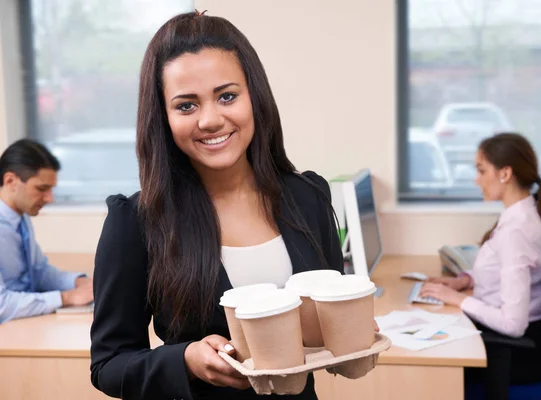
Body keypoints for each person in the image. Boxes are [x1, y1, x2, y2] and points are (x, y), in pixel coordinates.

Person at [90, 12, 351, 400]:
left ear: (254, 97)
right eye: (186, 106)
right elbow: (108, 365)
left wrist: (351, 331)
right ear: (162, 116)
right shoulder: (137, 223)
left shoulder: (308, 196)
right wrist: (186, 360)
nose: (211, 120)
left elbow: (327, 326)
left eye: (227, 96)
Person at [420, 132, 541, 399]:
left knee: (429, 359)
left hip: (515, 353)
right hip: (523, 343)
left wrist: (457, 299)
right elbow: (507, 267)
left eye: (482, 170)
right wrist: (466, 281)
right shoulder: (521, 214)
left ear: (505, 173)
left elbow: (513, 324)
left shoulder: (516, 231)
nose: (477, 179)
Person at [0, 139, 93, 323]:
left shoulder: (21, 219)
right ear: (10, 181)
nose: (49, 198)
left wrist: (79, 282)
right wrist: (67, 297)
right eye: (41, 189)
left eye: (50, 190)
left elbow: (39, 272)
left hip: (23, 325)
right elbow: (2, 305)